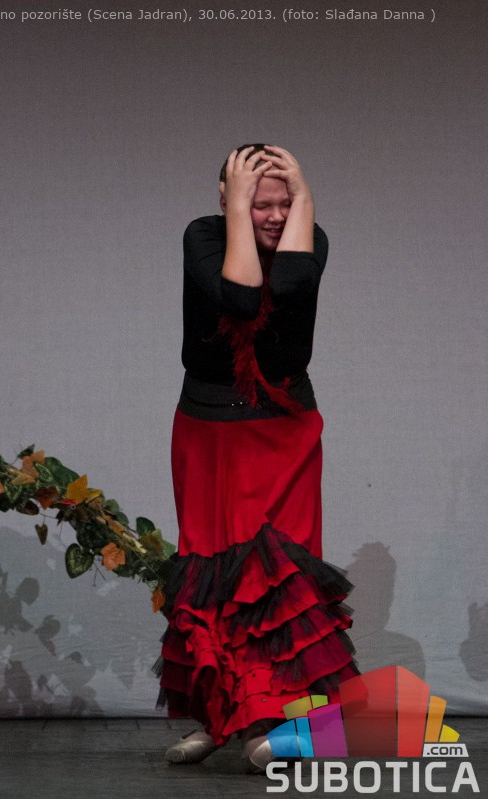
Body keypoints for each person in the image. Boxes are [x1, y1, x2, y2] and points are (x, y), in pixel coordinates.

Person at [152, 144, 359, 774]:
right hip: (208, 431)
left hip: (281, 431)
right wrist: (238, 211)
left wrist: (304, 193)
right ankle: (224, 717)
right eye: (258, 203)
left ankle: (299, 726)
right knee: (210, 572)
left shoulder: (310, 237)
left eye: (284, 203)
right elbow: (240, 298)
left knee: (279, 575)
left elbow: (288, 284)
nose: (274, 216)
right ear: (227, 200)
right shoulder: (203, 236)